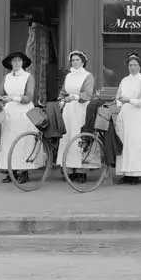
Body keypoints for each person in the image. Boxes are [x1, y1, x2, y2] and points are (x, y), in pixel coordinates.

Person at [0, 51, 43, 184]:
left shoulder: (28, 77)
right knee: (9, 141)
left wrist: (12, 98)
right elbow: (1, 94)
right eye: (14, 61)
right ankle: (11, 171)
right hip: (9, 112)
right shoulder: (7, 77)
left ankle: (24, 171)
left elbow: (28, 97)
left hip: (23, 112)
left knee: (23, 141)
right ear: (10, 63)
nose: (16, 63)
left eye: (19, 61)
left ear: (23, 63)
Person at [114, 53, 141, 184]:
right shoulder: (124, 80)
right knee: (125, 143)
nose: (132, 67)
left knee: (136, 144)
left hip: (138, 116)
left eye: (135, 65)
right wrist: (118, 102)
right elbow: (118, 96)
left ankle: (136, 173)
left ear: (140, 67)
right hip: (125, 114)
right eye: (130, 65)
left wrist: (129, 100)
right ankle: (126, 173)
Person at [56, 50, 98, 183]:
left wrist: (74, 97)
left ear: (83, 61)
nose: (75, 62)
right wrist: (62, 100)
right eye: (73, 60)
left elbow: (87, 94)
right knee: (67, 137)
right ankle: (69, 168)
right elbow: (63, 92)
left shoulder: (88, 76)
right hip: (68, 110)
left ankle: (81, 170)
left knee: (79, 137)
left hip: (81, 108)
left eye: (77, 60)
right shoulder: (69, 76)